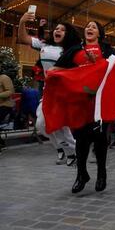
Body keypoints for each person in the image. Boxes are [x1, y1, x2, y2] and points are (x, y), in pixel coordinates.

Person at [54, 21, 115, 193]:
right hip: (80, 102)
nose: (89, 29)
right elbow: (58, 69)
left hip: (99, 103)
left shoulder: (107, 51)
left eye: (94, 27)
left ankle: (101, 174)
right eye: (87, 27)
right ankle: (81, 175)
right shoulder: (75, 49)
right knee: (81, 141)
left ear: (99, 33)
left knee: (100, 140)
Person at [18, 12, 80, 165]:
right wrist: (21, 22)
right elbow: (23, 38)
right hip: (48, 92)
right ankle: (61, 148)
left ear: (69, 34)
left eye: (62, 29)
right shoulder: (45, 44)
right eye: (56, 29)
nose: (57, 31)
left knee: (61, 125)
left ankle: (75, 152)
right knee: (40, 124)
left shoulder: (73, 51)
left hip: (64, 93)